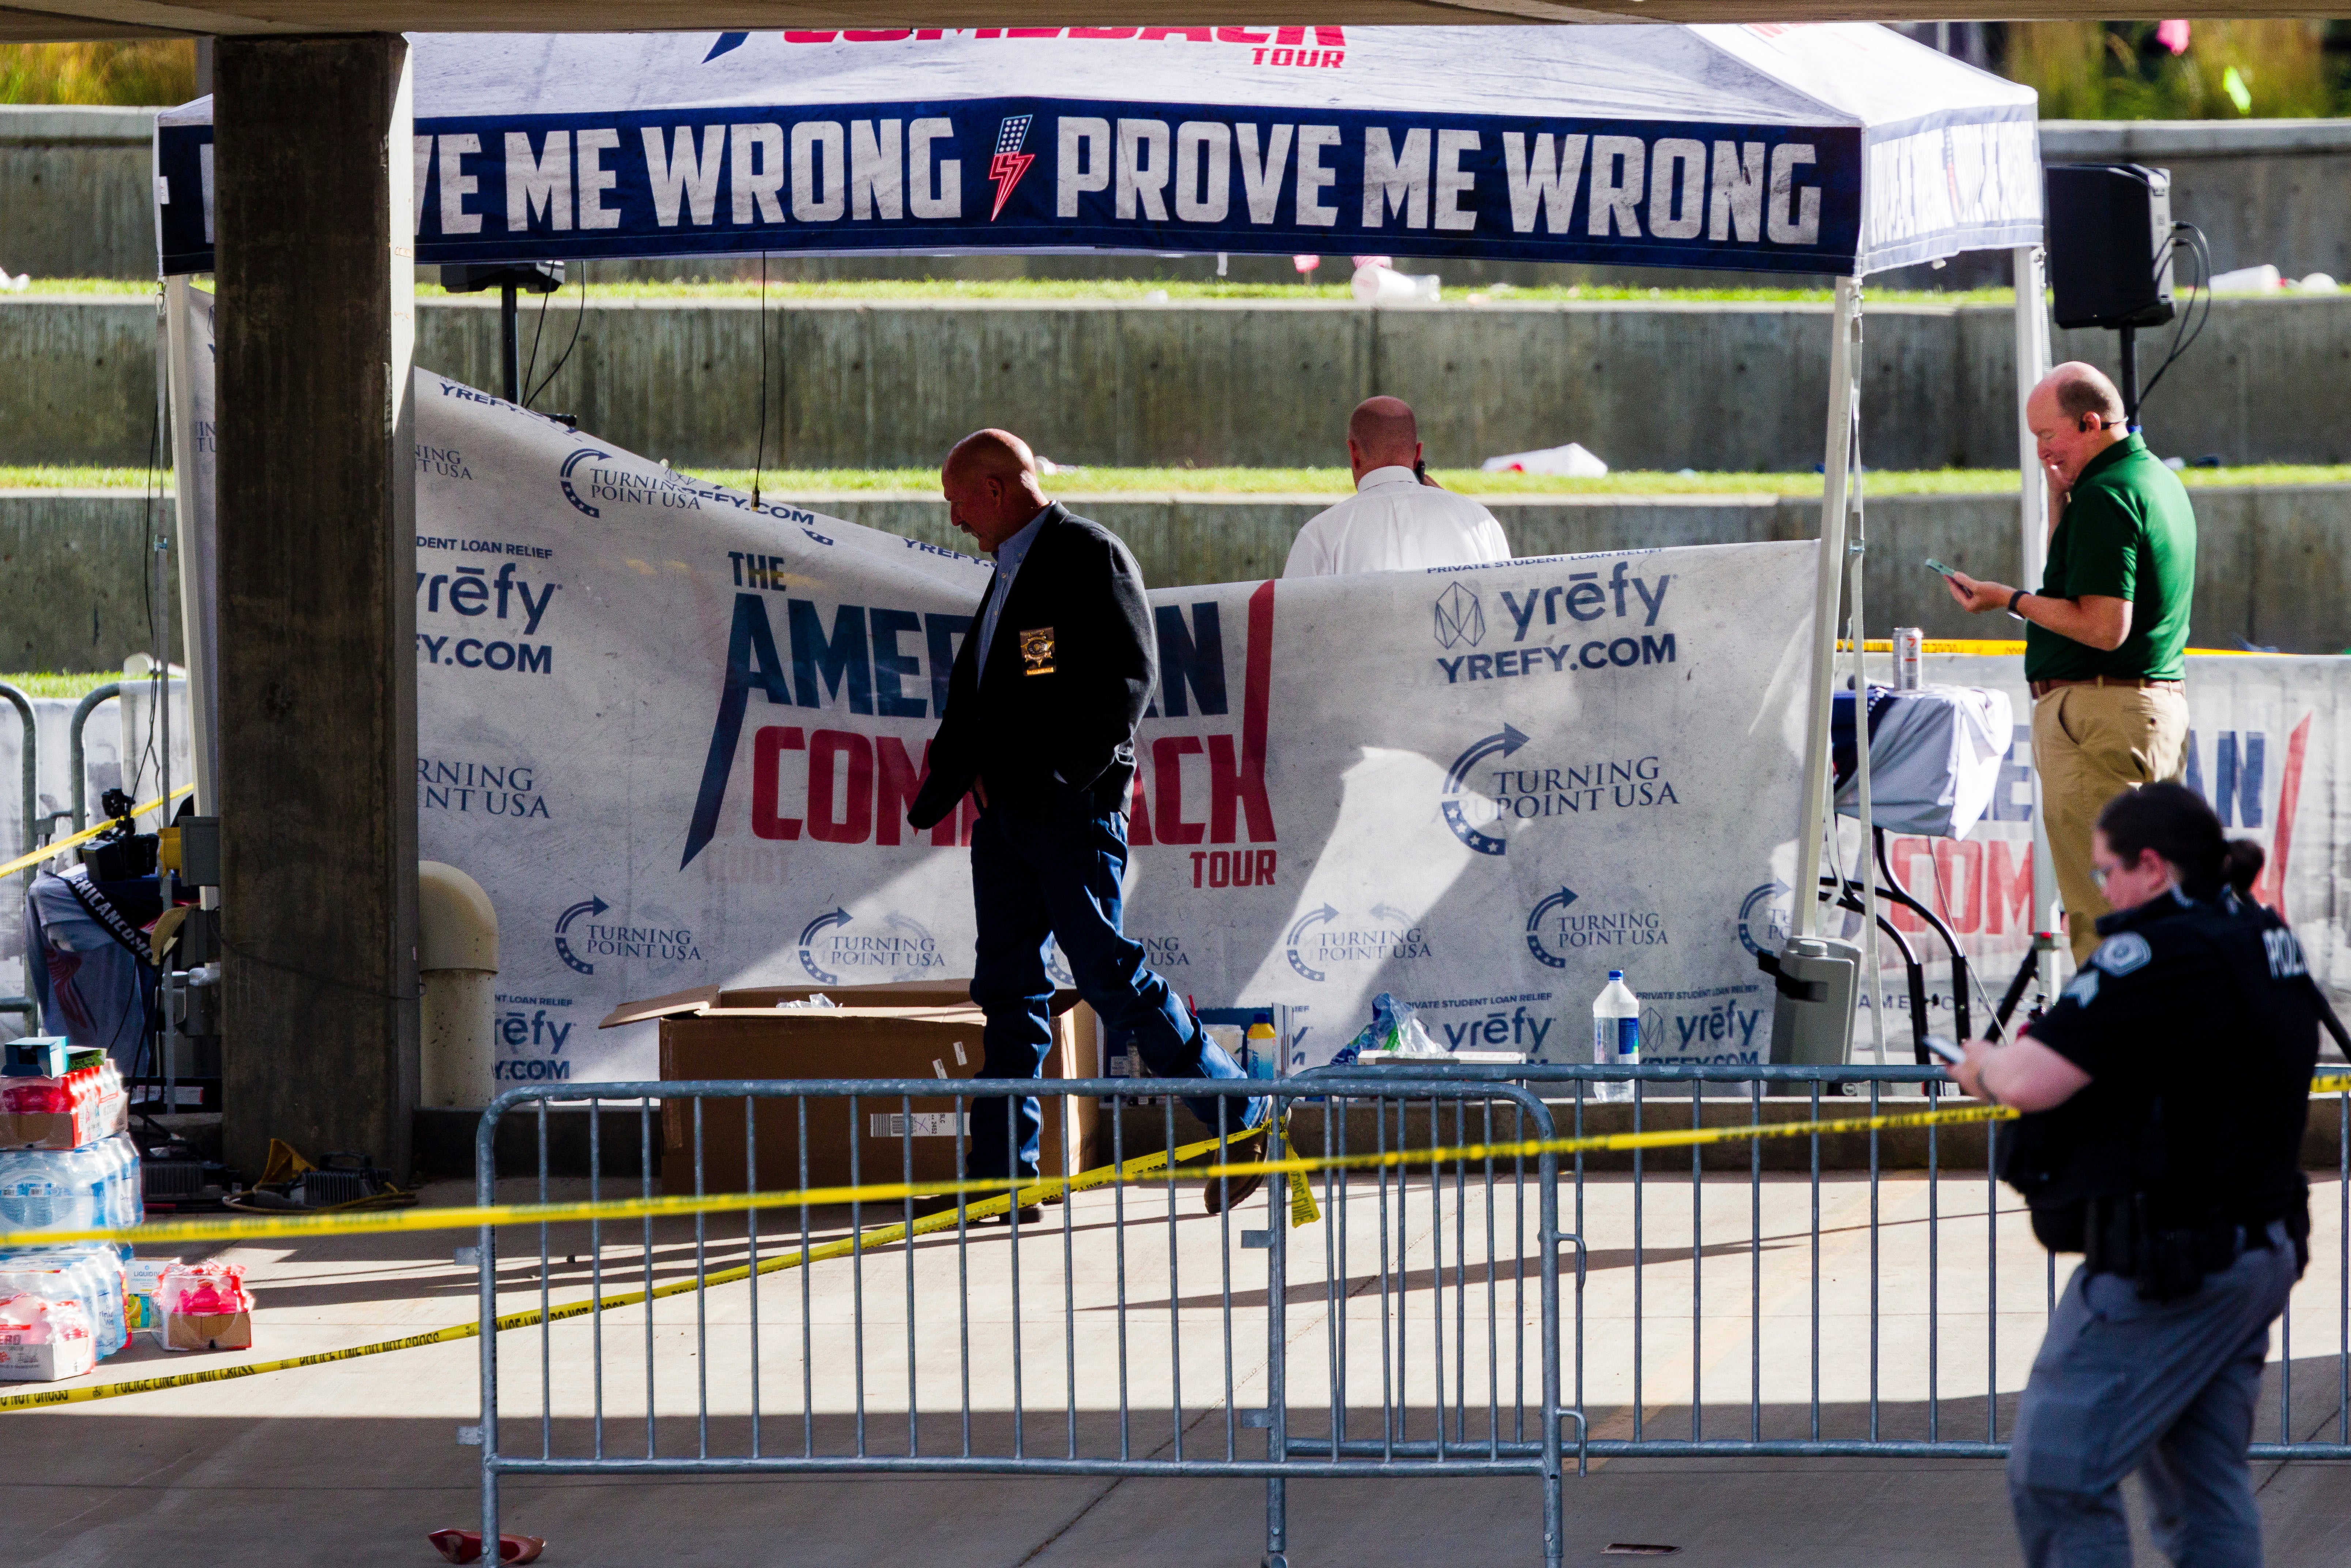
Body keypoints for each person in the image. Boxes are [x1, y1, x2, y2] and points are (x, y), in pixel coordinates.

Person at [1952, 784, 2319, 1568]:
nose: (2103, 889)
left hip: (2169, 1264)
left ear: (2150, 867)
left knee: (2054, 1474)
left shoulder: (2157, 950)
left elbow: (2028, 1078)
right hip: (2250, 1245)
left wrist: (1978, 1066)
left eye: (2107, 870)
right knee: (2202, 1490)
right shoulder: (2257, 930)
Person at [907, 428, 1269, 1221]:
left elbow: (1127, 683)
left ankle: (1239, 1116)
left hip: (1068, 815)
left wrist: (1063, 781)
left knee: (1107, 973)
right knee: (1007, 989)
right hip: (1007, 821)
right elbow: (987, 694)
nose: (953, 516)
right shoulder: (1007, 568)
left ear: (997, 488)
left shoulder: (1087, 555)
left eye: (957, 498)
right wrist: (961, 780)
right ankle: (1002, 1175)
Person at [1943, 362, 2197, 966]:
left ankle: (2117, 1058)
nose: (2039, 452)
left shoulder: (2107, 495)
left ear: (2088, 423)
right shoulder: (2148, 480)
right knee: (2152, 917)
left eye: (2046, 436)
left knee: (2105, 921)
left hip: (2099, 718)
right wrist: (2060, 500)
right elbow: (2079, 590)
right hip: (2145, 712)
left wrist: (2006, 599)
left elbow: (2103, 626)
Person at [1281, 395, 1512, 578]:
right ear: (1418, 454)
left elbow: (1291, 628)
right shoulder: (1480, 524)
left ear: (1353, 452)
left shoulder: (1320, 536)